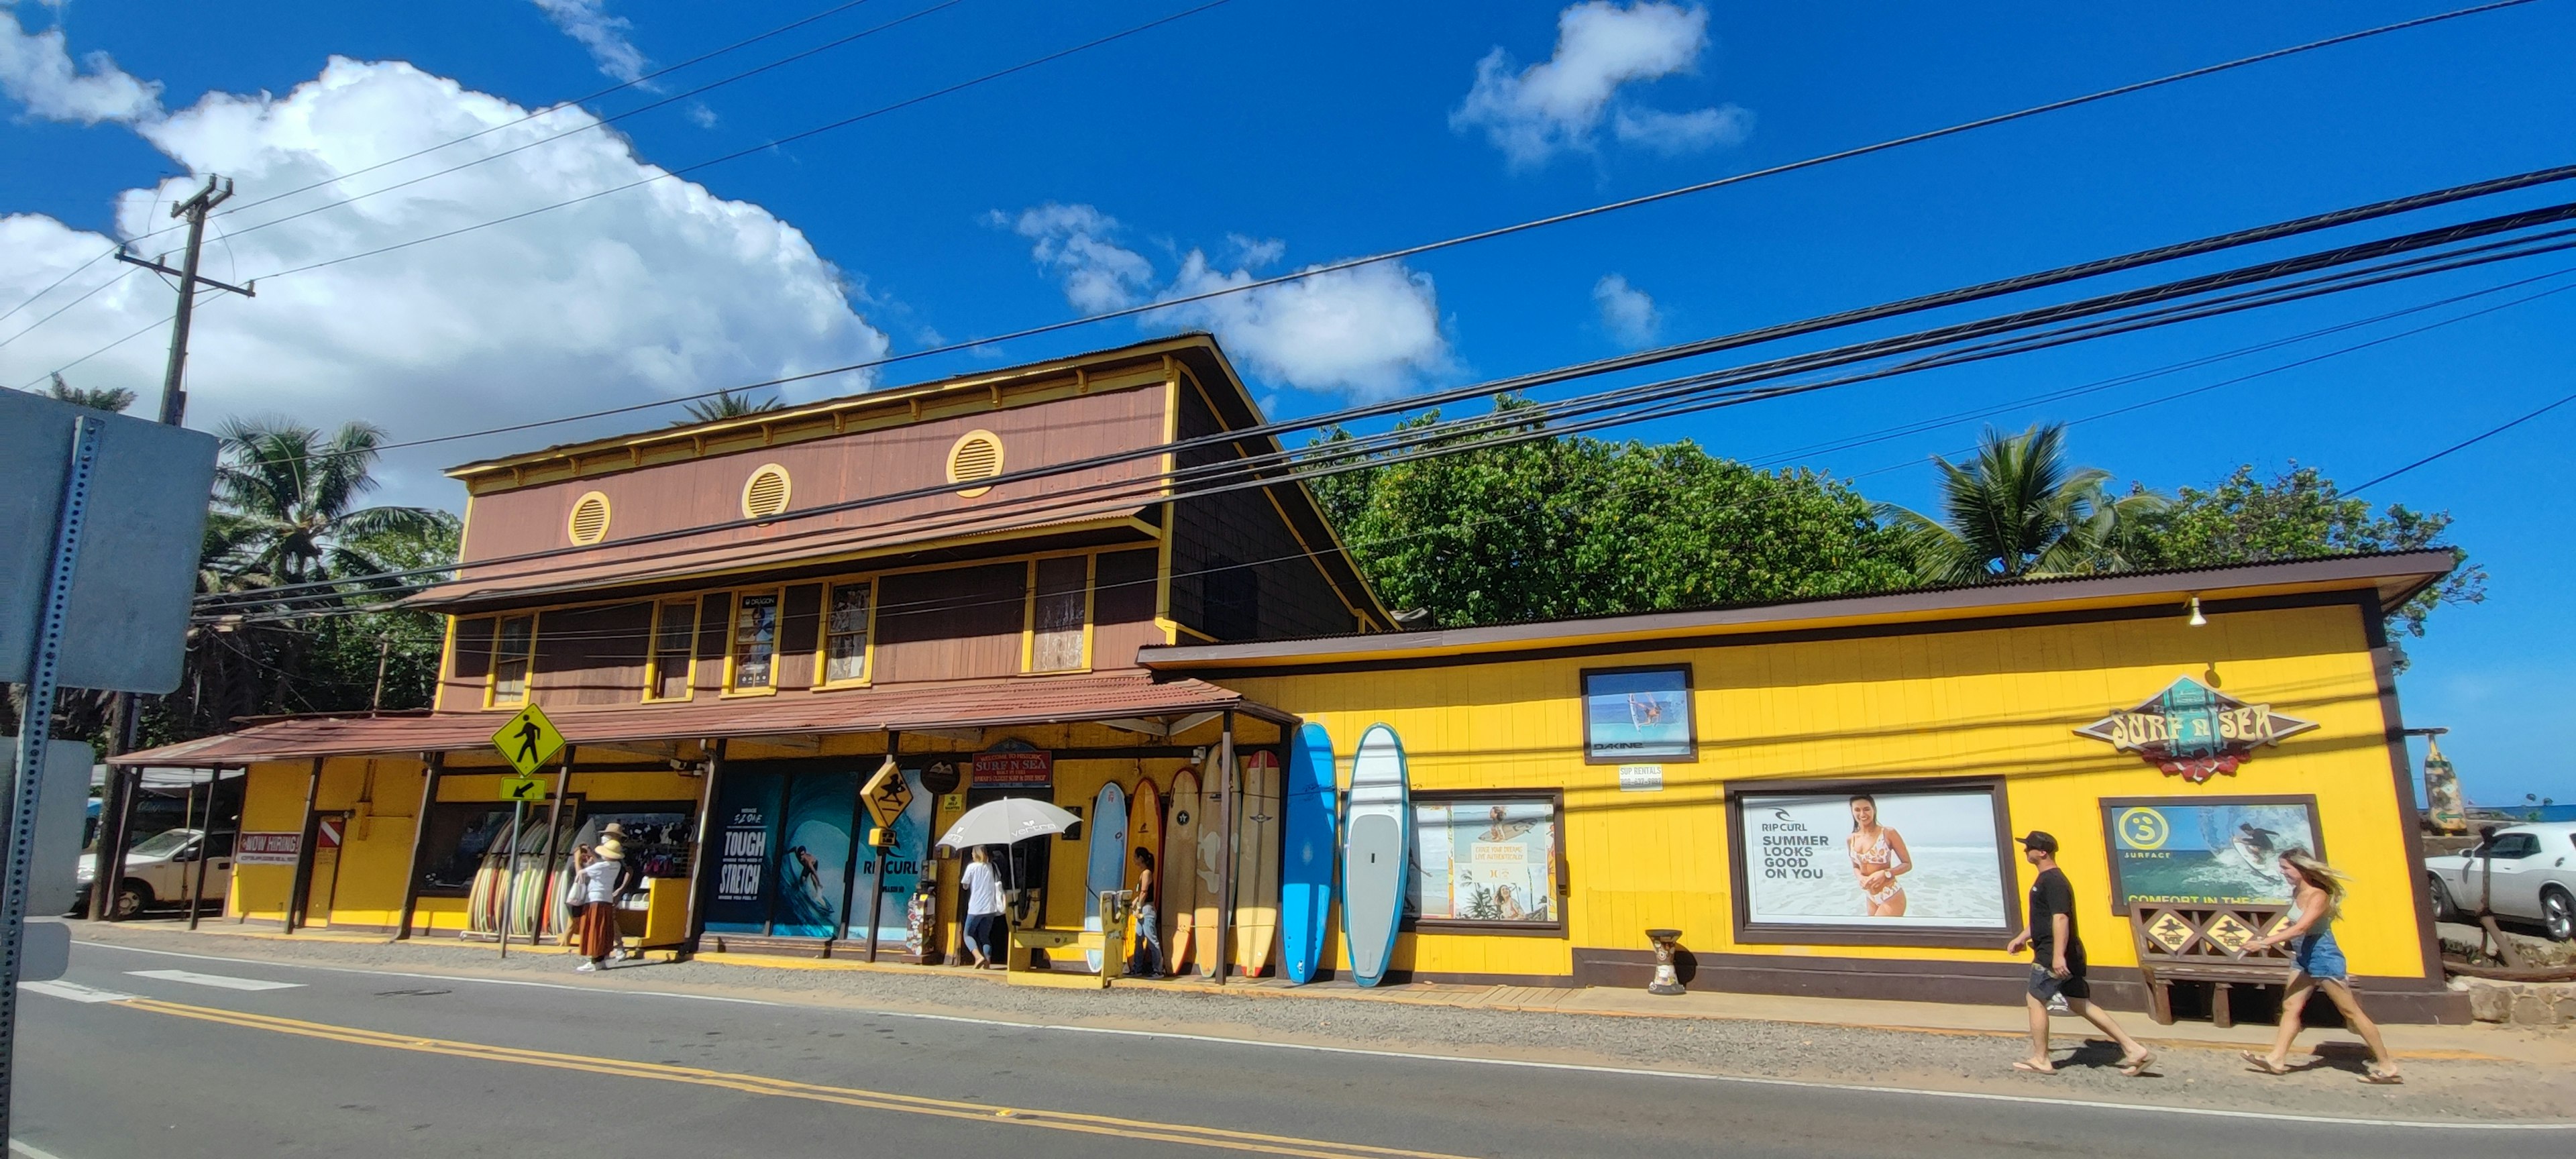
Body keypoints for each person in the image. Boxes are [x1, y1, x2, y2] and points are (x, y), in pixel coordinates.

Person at [2240, 848, 2404, 1085]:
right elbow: (2293, 925)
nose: (2282, 872)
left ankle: (2387, 1066)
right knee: (2291, 1005)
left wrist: (2264, 943)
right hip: (2303, 953)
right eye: (2282, 867)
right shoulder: (2297, 891)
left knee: (2351, 1012)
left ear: (2302, 869)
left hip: (2323, 954)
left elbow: (2302, 927)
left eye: (2286, 868)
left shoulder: (2319, 896)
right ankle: (2276, 1058)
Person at [2001, 830, 2153, 1077]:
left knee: (2035, 1000)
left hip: (2052, 952)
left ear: (2042, 852)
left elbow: (2061, 917)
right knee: (2079, 1003)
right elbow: (2044, 918)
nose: (2024, 851)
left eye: (2028, 848)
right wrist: (2022, 937)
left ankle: (2041, 1058)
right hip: (2056, 949)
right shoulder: (2045, 881)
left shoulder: (2054, 881)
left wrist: (2058, 956)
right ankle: (2133, 1049)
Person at [1846, 795, 1913, 918]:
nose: (1862, 814)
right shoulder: (1851, 839)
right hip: (1870, 896)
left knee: (1876, 937)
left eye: (1866, 809)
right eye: (1857, 810)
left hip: (1890, 894)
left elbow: (1907, 864)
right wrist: (1860, 877)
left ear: (1874, 810)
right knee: (1876, 936)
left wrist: (1885, 873)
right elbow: (1856, 866)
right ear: (1852, 811)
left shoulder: (1888, 833)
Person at [572, 838, 624, 973]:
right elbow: (600, 865)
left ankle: (594, 961)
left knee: (593, 930)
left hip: (595, 900)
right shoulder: (616, 865)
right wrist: (592, 857)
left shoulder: (602, 866)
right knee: (603, 931)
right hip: (606, 900)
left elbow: (581, 873)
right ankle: (600, 960)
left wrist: (577, 859)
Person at [600, 822, 645, 962]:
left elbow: (629, 871)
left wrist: (620, 890)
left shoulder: (623, 854)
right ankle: (606, 948)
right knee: (603, 919)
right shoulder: (604, 850)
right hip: (604, 888)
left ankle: (619, 947)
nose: (606, 837)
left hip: (614, 889)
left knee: (610, 919)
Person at [960, 845, 1006, 970]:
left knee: (967, 934)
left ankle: (978, 957)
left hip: (975, 907)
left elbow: (965, 885)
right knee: (985, 936)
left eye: (973, 853)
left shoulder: (971, 867)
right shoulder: (993, 867)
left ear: (976, 854)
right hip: (990, 908)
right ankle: (987, 963)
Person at [1126, 847, 1165, 977]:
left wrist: (1138, 907)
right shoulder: (1142, 873)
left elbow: (1144, 892)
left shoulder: (1147, 873)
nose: (1134, 860)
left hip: (1147, 909)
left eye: (1135, 857)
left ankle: (1158, 969)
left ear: (1141, 859)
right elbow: (1140, 893)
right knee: (1138, 938)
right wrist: (1133, 903)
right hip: (1142, 907)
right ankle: (1137, 968)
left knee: (1151, 939)